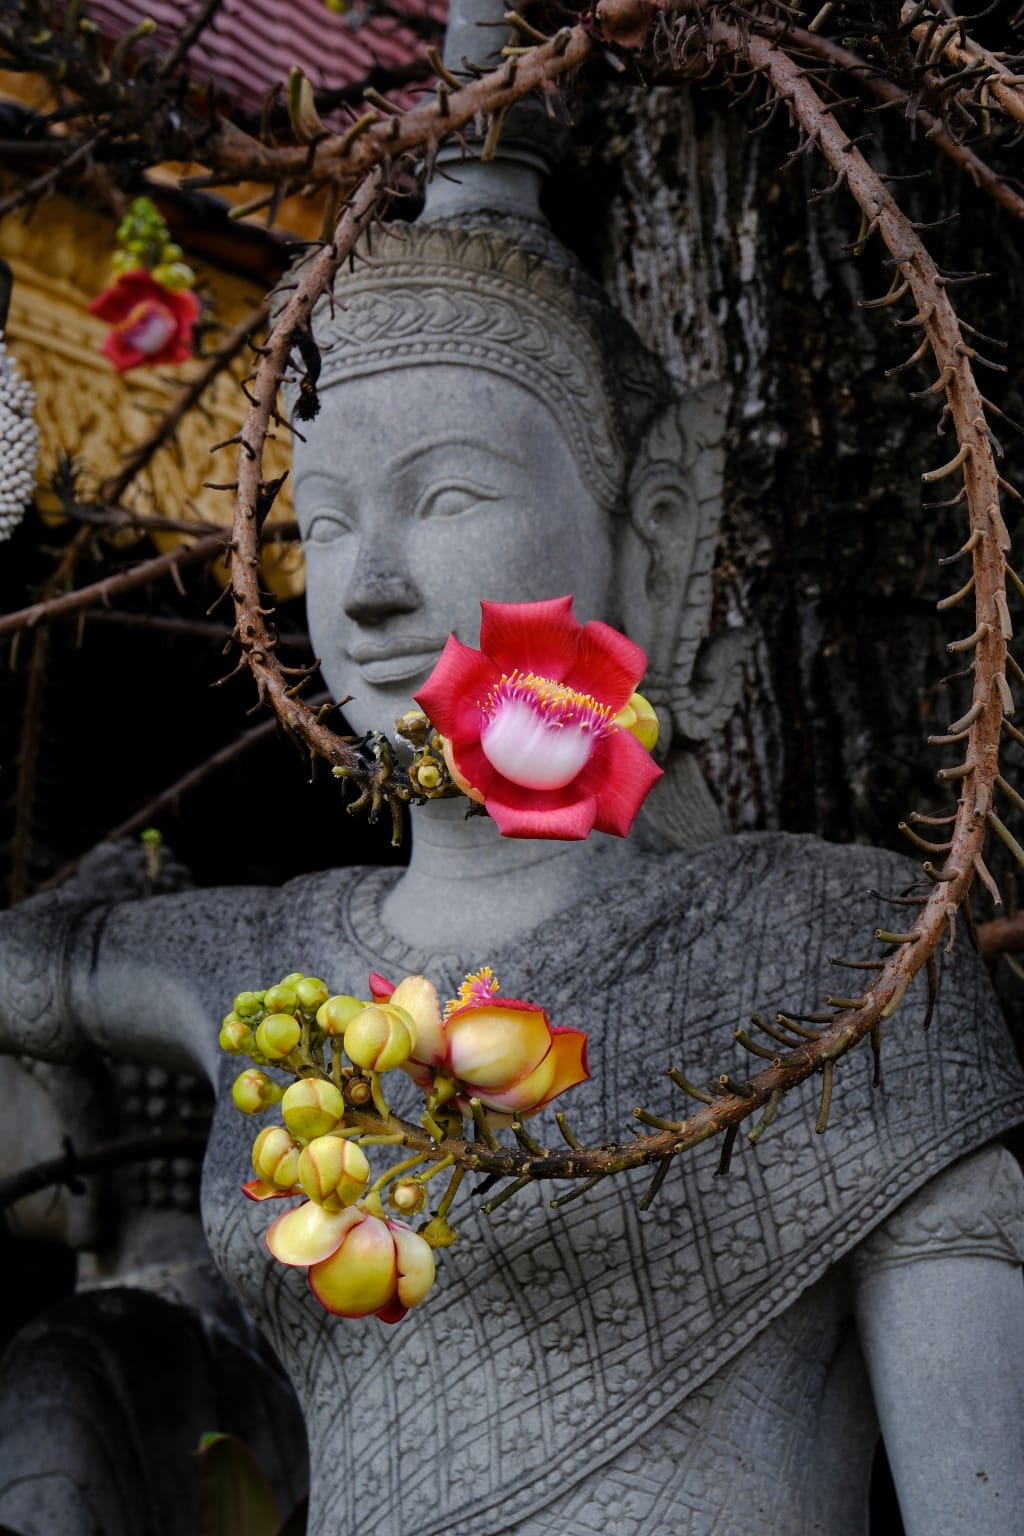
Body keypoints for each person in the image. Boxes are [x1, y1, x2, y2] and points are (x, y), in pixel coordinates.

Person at [2, 182, 1024, 1536]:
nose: (366, 589)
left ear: (648, 531)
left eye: (447, 495)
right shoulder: (262, 964)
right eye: (323, 521)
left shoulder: (841, 950)